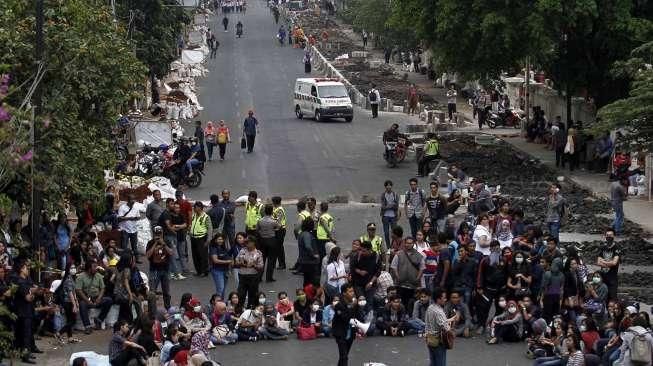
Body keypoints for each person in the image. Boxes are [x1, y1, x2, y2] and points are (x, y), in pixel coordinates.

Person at [76, 261, 113, 332]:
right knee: (82, 304)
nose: (96, 268)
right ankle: (87, 326)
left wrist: (99, 298)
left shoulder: (98, 275)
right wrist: (87, 301)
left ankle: (99, 320)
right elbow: (78, 290)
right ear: (89, 268)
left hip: (97, 298)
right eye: (94, 267)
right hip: (86, 298)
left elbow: (103, 288)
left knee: (109, 300)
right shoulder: (81, 277)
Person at [332, 283, 363, 366]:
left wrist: (358, 306)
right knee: (344, 356)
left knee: (344, 356)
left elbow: (358, 315)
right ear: (344, 293)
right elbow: (346, 318)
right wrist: (352, 305)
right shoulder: (338, 304)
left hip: (351, 332)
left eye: (353, 291)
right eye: (350, 291)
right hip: (340, 332)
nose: (352, 293)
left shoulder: (354, 302)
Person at [390, 236, 424, 309]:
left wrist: (417, 279)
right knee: (400, 304)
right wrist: (397, 277)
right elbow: (393, 266)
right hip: (401, 285)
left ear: (413, 244)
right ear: (405, 244)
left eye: (410, 243)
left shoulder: (419, 255)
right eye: (407, 243)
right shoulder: (399, 254)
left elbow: (422, 268)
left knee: (412, 304)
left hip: (413, 285)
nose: (408, 245)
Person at [425, 287, 454, 366]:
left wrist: (450, 319)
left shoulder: (430, 308)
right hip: (438, 341)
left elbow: (436, 322)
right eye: (444, 298)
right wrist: (452, 334)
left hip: (430, 339)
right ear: (438, 299)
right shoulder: (439, 312)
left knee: (433, 362)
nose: (445, 299)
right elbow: (446, 328)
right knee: (440, 363)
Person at [235, 236, 264, 308]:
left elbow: (261, 266)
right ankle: (239, 310)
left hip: (253, 276)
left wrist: (254, 265)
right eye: (246, 243)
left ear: (253, 243)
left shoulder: (258, 253)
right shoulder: (242, 251)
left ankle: (250, 310)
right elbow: (236, 261)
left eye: (248, 242)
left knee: (253, 295)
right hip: (242, 276)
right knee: (241, 294)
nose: (246, 244)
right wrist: (241, 263)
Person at [256, 204, 280, 282]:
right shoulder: (273, 221)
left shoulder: (260, 221)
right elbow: (279, 227)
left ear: (264, 211)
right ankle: (269, 277)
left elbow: (257, 230)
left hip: (262, 240)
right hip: (271, 240)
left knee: (262, 259)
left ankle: (259, 277)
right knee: (271, 260)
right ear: (272, 212)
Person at [117, 194, 143, 263]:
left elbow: (138, 217)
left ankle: (137, 258)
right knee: (124, 246)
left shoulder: (136, 208)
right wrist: (129, 218)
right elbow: (119, 218)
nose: (133, 201)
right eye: (131, 199)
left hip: (133, 230)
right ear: (128, 200)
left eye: (134, 199)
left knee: (134, 246)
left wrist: (136, 218)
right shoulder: (122, 207)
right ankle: (124, 260)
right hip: (125, 229)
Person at [189, 201, 212, 277]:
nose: (194, 209)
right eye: (194, 207)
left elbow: (209, 229)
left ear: (200, 208)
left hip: (201, 238)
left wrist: (208, 240)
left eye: (195, 207)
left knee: (202, 255)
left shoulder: (206, 217)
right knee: (195, 255)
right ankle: (198, 271)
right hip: (193, 238)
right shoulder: (194, 215)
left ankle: (204, 271)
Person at [597, 229, 620, 301]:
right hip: (603, 277)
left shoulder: (616, 248)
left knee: (613, 298)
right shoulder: (602, 247)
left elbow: (614, 263)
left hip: (612, 278)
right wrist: (609, 263)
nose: (608, 237)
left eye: (610, 235)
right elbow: (598, 262)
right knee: (603, 297)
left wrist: (604, 262)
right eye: (607, 235)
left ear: (614, 236)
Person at [209, 233, 232, 300]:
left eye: (222, 239)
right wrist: (227, 262)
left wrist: (229, 269)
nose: (221, 241)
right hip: (217, 270)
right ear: (215, 240)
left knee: (223, 289)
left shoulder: (223, 247)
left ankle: (222, 303)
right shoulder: (213, 248)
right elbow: (215, 260)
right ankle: (217, 304)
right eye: (219, 239)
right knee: (220, 289)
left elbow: (228, 257)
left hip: (225, 270)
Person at [298, 218, 320, 286]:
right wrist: (314, 255)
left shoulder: (302, 234)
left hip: (304, 261)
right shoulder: (307, 235)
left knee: (306, 280)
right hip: (310, 262)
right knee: (313, 281)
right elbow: (308, 246)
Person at [380, 180, 399, 251]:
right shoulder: (383, 195)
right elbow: (383, 207)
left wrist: (388, 206)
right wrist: (391, 205)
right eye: (387, 185)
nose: (388, 187)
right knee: (386, 232)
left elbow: (396, 206)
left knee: (394, 233)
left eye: (390, 185)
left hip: (393, 216)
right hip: (385, 216)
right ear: (385, 187)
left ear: (391, 186)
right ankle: (388, 247)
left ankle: (393, 246)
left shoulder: (395, 194)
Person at [272, 196, 287, 269]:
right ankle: (280, 263)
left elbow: (278, 221)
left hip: (280, 230)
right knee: (277, 247)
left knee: (279, 248)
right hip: (278, 230)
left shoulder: (279, 210)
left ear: (274, 202)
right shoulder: (276, 209)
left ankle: (282, 264)